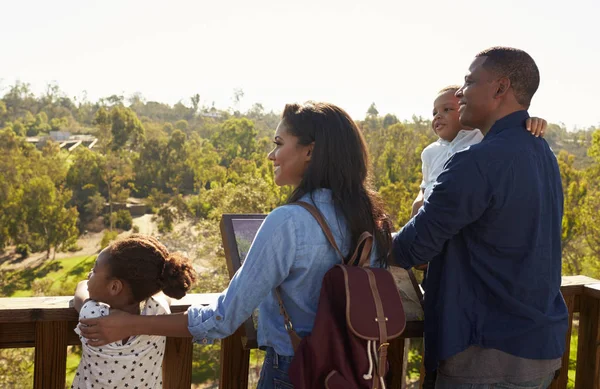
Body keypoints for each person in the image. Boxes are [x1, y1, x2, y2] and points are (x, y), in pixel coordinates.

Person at [78, 102, 393, 389]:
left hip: (295, 371)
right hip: (356, 369)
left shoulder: (288, 222)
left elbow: (223, 319)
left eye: (278, 144)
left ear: (309, 151)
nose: (271, 155)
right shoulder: (370, 218)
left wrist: (130, 324)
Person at [392, 47, 568, 389]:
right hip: (539, 349)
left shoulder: (475, 162)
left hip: (485, 355)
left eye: (469, 81)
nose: (460, 92)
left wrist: (362, 242)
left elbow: (411, 249)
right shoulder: (543, 154)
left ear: (500, 88)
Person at [414, 86, 548, 388]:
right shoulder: (431, 152)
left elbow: (507, 132)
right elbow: (426, 195)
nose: (439, 117)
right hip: (438, 259)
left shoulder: (481, 143)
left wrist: (533, 121)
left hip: (467, 281)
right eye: (434, 112)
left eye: (448, 109)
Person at [71, 234, 197, 389]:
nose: (90, 274)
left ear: (114, 287)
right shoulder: (159, 311)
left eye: (95, 270)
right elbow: (159, 292)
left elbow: (81, 289)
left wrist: (87, 281)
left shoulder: (94, 316)